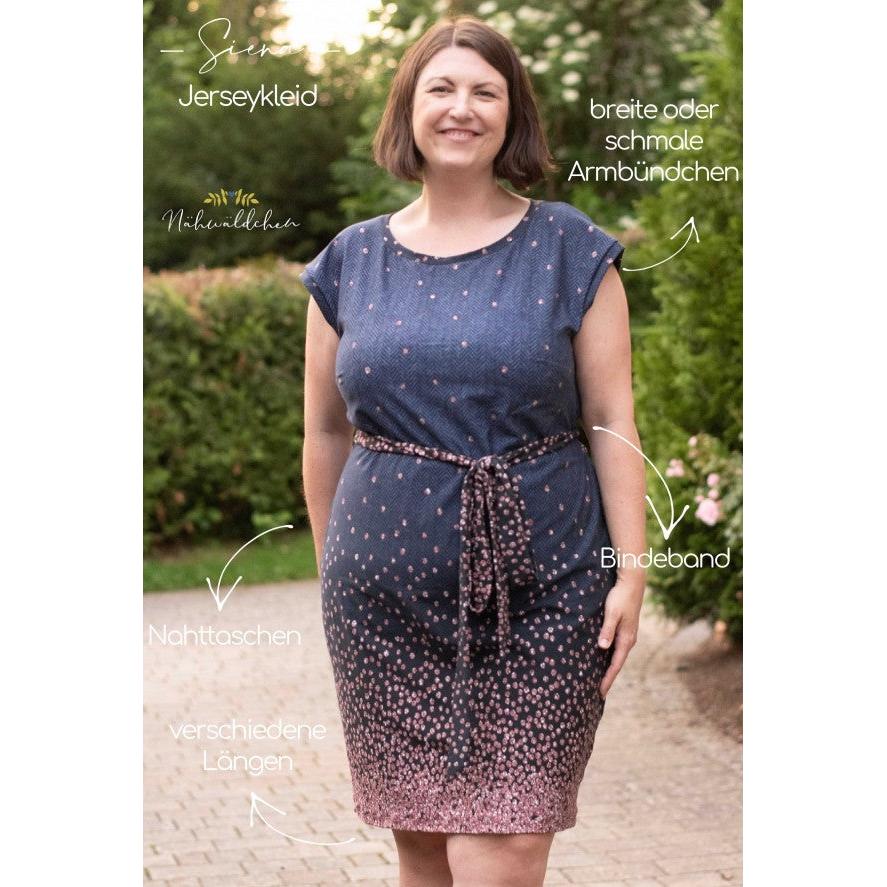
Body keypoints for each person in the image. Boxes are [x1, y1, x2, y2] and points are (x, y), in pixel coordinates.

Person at [301, 15, 646, 887]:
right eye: (441, 89)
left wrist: (633, 571)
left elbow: (610, 416)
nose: (462, 108)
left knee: (505, 843)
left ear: (511, 113)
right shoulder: (348, 261)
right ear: (408, 110)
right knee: (420, 845)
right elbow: (325, 431)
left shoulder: (571, 248)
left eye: (485, 91)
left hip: (547, 588)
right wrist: (332, 568)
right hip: (382, 600)